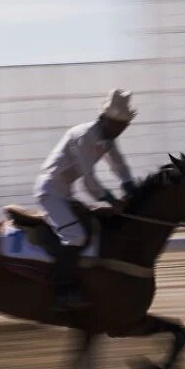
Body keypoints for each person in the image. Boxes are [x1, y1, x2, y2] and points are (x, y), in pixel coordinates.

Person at [34, 88, 138, 311]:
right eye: (118, 125)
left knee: (94, 227)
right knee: (76, 236)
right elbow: (89, 181)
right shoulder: (85, 136)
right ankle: (62, 292)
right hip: (50, 191)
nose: (121, 130)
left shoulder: (107, 137)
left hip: (63, 192)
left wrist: (131, 188)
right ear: (105, 119)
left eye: (124, 126)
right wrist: (112, 200)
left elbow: (119, 165)